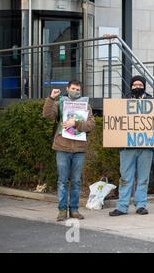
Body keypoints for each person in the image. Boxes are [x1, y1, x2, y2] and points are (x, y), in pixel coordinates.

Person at [43, 80, 95, 221]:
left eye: (78, 89)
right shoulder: (60, 103)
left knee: (77, 181)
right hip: (62, 146)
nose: (75, 91)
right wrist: (51, 98)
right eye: (73, 88)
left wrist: (76, 123)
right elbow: (47, 115)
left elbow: (91, 125)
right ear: (67, 88)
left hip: (79, 149)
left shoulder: (86, 105)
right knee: (62, 181)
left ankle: (74, 210)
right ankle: (61, 210)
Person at [109, 75, 154, 216]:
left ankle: (141, 205)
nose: (137, 87)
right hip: (127, 147)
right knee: (125, 177)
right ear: (131, 86)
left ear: (144, 86)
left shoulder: (152, 101)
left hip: (146, 147)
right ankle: (122, 206)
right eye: (134, 85)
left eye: (140, 84)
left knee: (143, 178)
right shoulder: (124, 101)